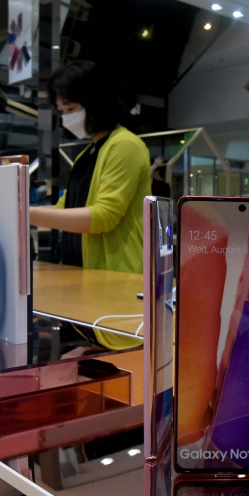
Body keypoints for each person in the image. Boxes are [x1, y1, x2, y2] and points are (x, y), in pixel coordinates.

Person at [30, 60, 151, 348]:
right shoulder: (87, 155)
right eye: (62, 112)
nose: (66, 118)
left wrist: (25, 214)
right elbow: (65, 209)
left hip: (119, 281)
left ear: (96, 102)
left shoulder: (125, 146)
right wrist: (21, 211)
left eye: (71, 109)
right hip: (89, 280)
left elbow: (103, 216)